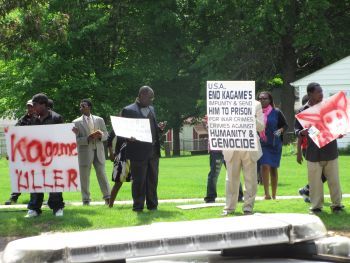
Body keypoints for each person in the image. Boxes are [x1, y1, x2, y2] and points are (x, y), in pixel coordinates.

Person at [294, 82, 344, 214]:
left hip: (330, 150)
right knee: (315, 182)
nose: (321, 94)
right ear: (310, 94)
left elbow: (336, 125)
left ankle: (337, 205)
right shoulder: (303, 111)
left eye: (322, 92)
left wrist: (339, 132)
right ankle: (316, 207)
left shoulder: (328, 107)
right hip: (313, 153)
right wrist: (301, 132)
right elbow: (296, 130)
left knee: (334, 180)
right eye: (318, 92)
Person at [121, 86, 165, 212]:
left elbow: (151, 127)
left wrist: (159, 128)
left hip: (153, 151)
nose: (152, 100)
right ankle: (138, 206)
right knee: (139, 181)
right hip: (138, 152)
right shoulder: (128, 110)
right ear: (142, 95)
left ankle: (153, 205)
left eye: (153, 98)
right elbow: (122, 132)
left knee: (153, 180)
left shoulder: (152, 109)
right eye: (150, 97)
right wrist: (128, 138)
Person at [221, 100, 265, 216]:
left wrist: (250, 118)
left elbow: (261, 127)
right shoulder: (224, 103)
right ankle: (229, 207)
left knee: (250, 178)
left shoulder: (256, 104)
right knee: (230, 178)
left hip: (249, 146)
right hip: (231, 144)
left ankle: (248, 207)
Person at [26, 93, 65, 217]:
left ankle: (57, 207)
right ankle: (34, 208)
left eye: (35, 105)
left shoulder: (57, 118)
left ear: (43, 104)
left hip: (54, 156)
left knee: (54, 181)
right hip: (36, 157)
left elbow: (63, 136)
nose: (33, 108)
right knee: (36, 181)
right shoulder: (32, 119)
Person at [72, 99, 111, 205]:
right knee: (84, 176)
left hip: (99, 151)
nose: (81, 108)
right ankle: (86, 199)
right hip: (84, 152)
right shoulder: (75, 122)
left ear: (89, 107)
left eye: (83, 106)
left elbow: (106, 134)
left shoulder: (99, 119)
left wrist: (101, 136)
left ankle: (108, 197)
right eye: (80, 106)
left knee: (102, 174)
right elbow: (74, 140)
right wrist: (87, 138)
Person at [203, 116, 243, 203]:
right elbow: (208, 128)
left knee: (233, 172)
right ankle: (210, 197)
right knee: (214, 173)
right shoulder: (211, 114)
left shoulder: (229, 114)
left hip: (229, 147)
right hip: (216, 149)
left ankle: (239, 195)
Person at [4, 99, 36, 205]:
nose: (29, 109)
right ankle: (14, 198)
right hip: (24, 152)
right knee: (20, 174)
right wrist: (11, 151)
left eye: (31, 106)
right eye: (28, 107)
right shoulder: (23, 119)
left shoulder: (41, 118)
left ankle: (37, 199)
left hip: (37, 152)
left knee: (38, 175)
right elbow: (14, 134)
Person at [258, 91, 288, 200]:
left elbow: (285, 125)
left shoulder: (276, 112)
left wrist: (280, 131)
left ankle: (274, 194)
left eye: (265, 98)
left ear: (270, 100)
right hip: (263, 144)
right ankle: (267, 194)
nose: (262, 100)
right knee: (265, 166)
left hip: (275, 144)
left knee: (273, 169)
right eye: (260, 99)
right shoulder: (257, 113)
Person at [297, 95, 327, 203]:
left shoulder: (318, 115)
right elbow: (299, 135)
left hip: (321, 148)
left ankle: (307, 190)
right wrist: (299, 153)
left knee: (324, 174)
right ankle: (307, 190)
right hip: (308, 149)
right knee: (319, 173)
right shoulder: (302, 117)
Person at [107, 130, 130, 208]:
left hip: (134, 156)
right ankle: (110, 205)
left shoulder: (135, 122)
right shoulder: (118, 124)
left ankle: (138, 204)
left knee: (138, 182)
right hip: (121, 157)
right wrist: (110, 153)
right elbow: (109, 139)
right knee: (118, 182)